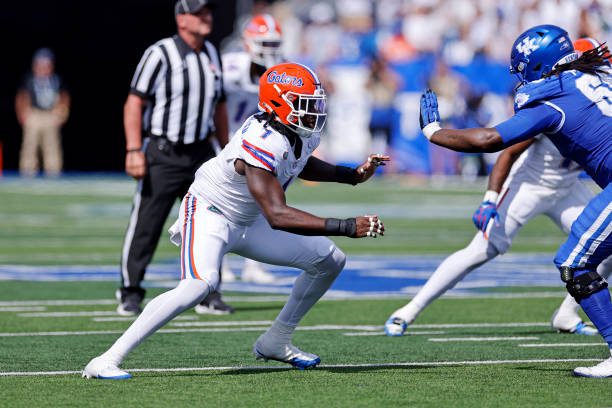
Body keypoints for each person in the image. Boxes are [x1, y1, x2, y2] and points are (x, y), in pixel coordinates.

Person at [83, 62, 389, 379]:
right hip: (211, 213)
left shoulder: (293, 129)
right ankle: (107, 358)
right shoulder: (262, 139)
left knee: (330, 260)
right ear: (279, 102)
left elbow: (299, 162)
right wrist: (347, 226)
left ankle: (276, 340)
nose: (313, 111)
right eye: (304, 103)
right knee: (198, 286)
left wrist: (351, 175)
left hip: (250, 219)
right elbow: (278, 214)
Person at [417, 25, 611, 377]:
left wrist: (434, 132)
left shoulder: (552, 99)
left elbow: (491, 139)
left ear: (538, 65)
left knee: (574, 262)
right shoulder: (593, 75)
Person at [117, 0, 230, 316]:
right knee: (147, 224)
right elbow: (134, 102)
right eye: (199, 13)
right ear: (182, 19)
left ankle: (208, 291)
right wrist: (133, 149)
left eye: (208, 12)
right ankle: (130, 290)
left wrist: (226, 150)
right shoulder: (160, 53)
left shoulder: (211, 53)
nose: (207, 17)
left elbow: (219, 106)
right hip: (164, 152)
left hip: (200, 153)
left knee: (211, 222)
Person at [213, 13, 285, 287]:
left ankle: (254, 265)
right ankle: (220, 262)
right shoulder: (228, 67)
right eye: (264, 43)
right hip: (224, 143)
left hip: (257, 146)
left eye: (274, 43)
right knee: (222, 205)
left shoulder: (281, 71)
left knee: (262, 204)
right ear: (248, 42)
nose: (270, 50)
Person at [15, 48, 70, 177]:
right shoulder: (29, 79)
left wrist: (62, 112)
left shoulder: (56, 79)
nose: (43, 68)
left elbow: (64, 96)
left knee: (52, 146)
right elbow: (22, 96)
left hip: (50, 115)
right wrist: (22, 113)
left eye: (46, 65)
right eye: (40, 64)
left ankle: (53, 172)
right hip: (34, 114)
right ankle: (27, 172)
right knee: (29, 145)